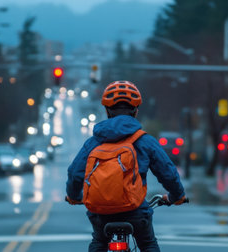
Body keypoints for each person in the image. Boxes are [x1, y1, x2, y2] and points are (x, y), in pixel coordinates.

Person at [66, 80, 186, 252]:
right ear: (135, 111)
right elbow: (167, 171)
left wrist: (74, 196)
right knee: (147, 244)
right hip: (136, 212)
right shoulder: (144, 141)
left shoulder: (93, 143)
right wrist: (177, 195)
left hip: (101, 214)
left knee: (99, 242)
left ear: (107, 111)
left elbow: (75, 173)